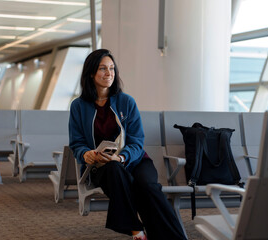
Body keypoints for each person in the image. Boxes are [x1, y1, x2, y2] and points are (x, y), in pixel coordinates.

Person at [69, 49, 187, 240]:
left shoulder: (126, 102)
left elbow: (137, 141)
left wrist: (122, 156)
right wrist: (85, 154)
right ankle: (135, 230)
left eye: (112, 69)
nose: (109, 73)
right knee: (115, 169)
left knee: (148, 188)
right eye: (103, 69)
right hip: (104, 167)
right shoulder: (78, 106)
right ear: (91, 73)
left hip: (135, 161)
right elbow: (77, 142)